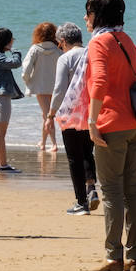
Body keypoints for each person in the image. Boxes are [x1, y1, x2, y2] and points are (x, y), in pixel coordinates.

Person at [80, 0, 136, 271]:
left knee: (111, 192)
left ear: (96, 16)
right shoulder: (126, 40)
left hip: (112, 123)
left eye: (88, 13)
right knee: (132, 189)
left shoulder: (100, 42)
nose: (85, 19)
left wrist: (92, 121)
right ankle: (134, 256)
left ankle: (113, 256)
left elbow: (99, 81)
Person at [45, 22, 98, 215]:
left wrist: (51, 114)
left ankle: (81, 202)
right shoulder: (91, 53)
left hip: (71, 113)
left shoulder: (65, 58)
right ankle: (91, 187)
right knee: (87, 152)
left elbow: (59, 89)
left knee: (74, 158)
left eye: (60, 44)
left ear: (64, 41)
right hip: (92, 110)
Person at [0, 28, 24, 173]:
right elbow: (15, 63)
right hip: (2, 98)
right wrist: (15, 51)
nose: (13, 40)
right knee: (0, 132)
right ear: (6, 40)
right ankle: (3, 164)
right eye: (11, 39)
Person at [22, 22, 62, 151]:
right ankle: (43, 143)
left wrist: (28, 81)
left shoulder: (35, 49)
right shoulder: (58, 50)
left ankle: (54, 144)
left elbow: (26, 69)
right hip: (55, 87)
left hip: (40, 87)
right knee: (47, 115)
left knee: (47, 115)